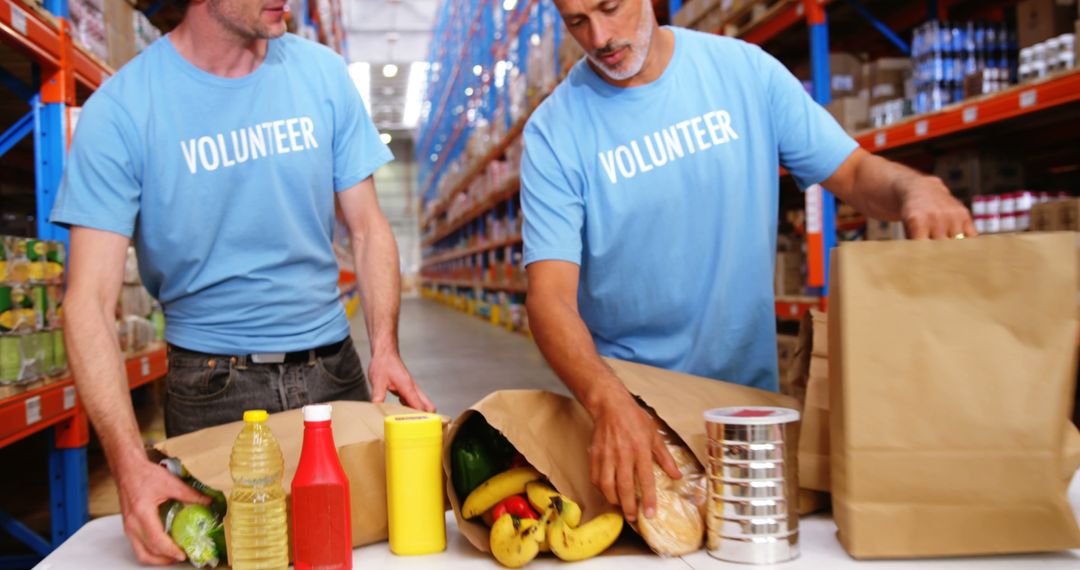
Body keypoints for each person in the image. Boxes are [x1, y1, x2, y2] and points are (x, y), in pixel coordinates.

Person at [520, 0, 975, 524]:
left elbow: (851, 173)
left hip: (750, 410)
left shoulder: (744, 72)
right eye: (577, 21)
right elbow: (549, 296)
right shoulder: (554, 132)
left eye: (610, 9)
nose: (600, 36)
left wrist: (915, 187)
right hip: (636, 415)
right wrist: (605, 401)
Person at [51, 0, 435, 564]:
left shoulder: (321, 74)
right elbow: (85, 303)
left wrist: (386, 348)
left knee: (354, 550)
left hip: (335, 371)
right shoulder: (124, 110)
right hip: (213, 390)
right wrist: (129, 466)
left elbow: (370, 228)